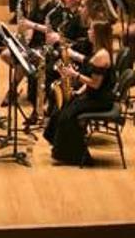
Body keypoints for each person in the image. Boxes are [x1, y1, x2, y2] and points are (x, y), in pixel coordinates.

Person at [44, 21, 115, 165]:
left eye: (90, 30)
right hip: (93, 95)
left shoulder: (102, 56)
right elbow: (90, 72)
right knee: (62, 108)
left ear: (97, 34)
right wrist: (78, 91)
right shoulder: (98, 52)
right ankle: (61, 149)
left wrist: (74, 75)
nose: (88, 32)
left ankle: (77, 156)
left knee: (68, 116)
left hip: (100, 100)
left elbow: (95, 84)